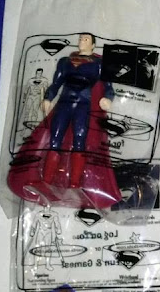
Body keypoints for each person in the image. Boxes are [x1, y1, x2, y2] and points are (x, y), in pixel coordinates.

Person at [41, 33, 114, 187]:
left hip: (83, 104)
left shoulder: (99, 64)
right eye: (80, 38)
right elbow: (56, 83)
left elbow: (108, 86)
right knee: (55, 139)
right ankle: (46, 180)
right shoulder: (65, 61)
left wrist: (108, 98)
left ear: (93, 45)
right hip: (64, 103)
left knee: (80, 139)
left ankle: (75, 183)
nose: (82, 41)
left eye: (86, 39)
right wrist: (48, 98)